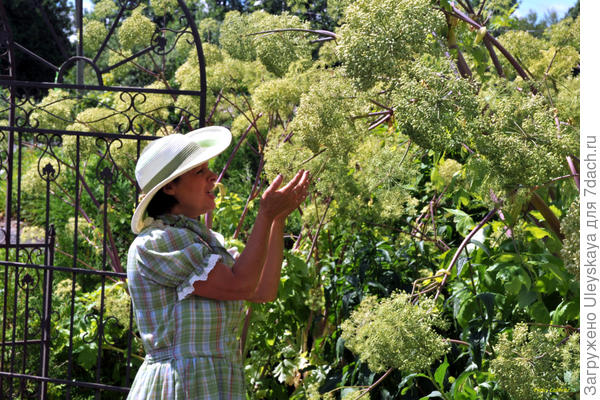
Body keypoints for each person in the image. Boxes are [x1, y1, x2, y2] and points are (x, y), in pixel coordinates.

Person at [126, 126, 309, 399]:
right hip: (181, 385)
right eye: (199, 172)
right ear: (169, 187)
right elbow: (241, 286)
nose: (213, 176)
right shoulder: (157, 242)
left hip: (215, 382)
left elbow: (262, 290)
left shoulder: (203, 240)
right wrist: (265, 214)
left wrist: (277, 218)